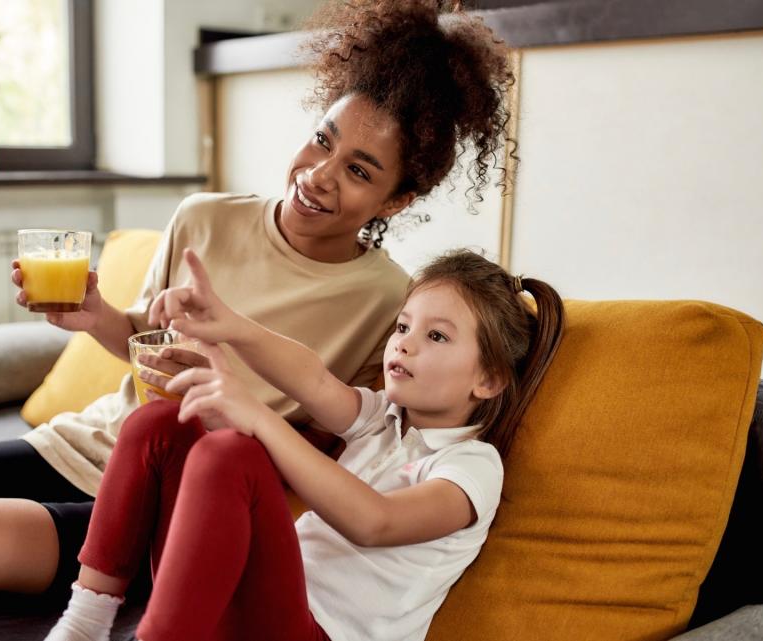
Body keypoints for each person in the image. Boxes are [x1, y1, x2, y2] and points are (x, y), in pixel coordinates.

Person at [0, 1, 516, 640]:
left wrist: (230, 410)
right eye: (321, 140)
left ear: (397, 199)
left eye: (360, 171)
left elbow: (329, 459)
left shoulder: (390, 305)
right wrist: (97, 316)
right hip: (95, 443)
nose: (319, 174)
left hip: (171, 499)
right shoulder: (205, 216)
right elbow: (146, 341)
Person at [44, 245, 565, 641]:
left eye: (437, 336)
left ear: (490, 380)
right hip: (242, 604)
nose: (403, 341)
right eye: (404, 326)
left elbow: (375, 521)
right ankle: (84, 624)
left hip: (314, 633)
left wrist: (254, 416)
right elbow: (313, 381)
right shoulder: (382, 418)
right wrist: (229, 326)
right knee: (161, 421)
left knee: (232, 453)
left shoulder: (471, 465)